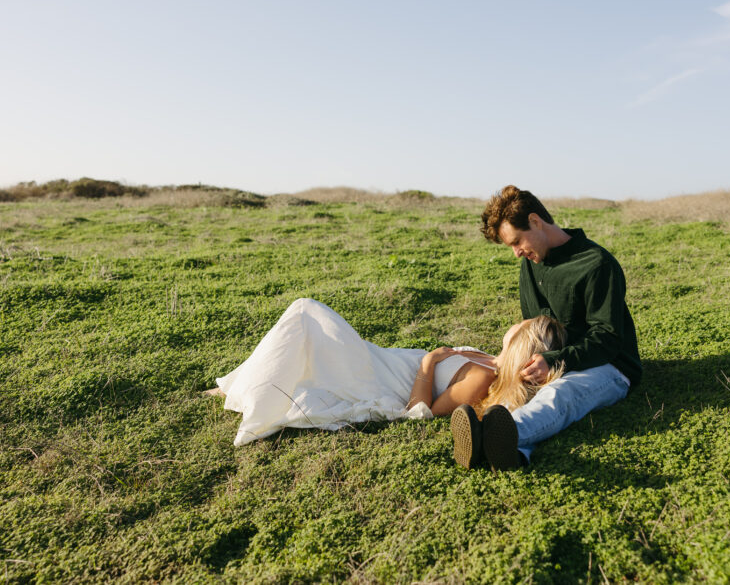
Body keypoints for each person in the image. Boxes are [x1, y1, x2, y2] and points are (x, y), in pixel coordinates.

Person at [451, 185, 642, 470]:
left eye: (517, 242)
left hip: (608, 365)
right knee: (523, 394)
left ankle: (486, 436)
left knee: (562, 393)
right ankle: (514, 455)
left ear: (535, 221)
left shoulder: (597, 264)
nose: (517, 253)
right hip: (549, 360)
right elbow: (535, 325)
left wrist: (553, 361)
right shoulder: (532, 262)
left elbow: (608, 338)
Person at [214, 298, 501, 446]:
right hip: (378, 357)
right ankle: (238, 385)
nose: (510, 330)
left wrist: (429, 363)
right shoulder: (488, 359)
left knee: (304, 312)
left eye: (518, 331)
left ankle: (254, 401)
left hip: (376, 379)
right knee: (308, 343)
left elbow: (420, 411)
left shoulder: (483, 376)